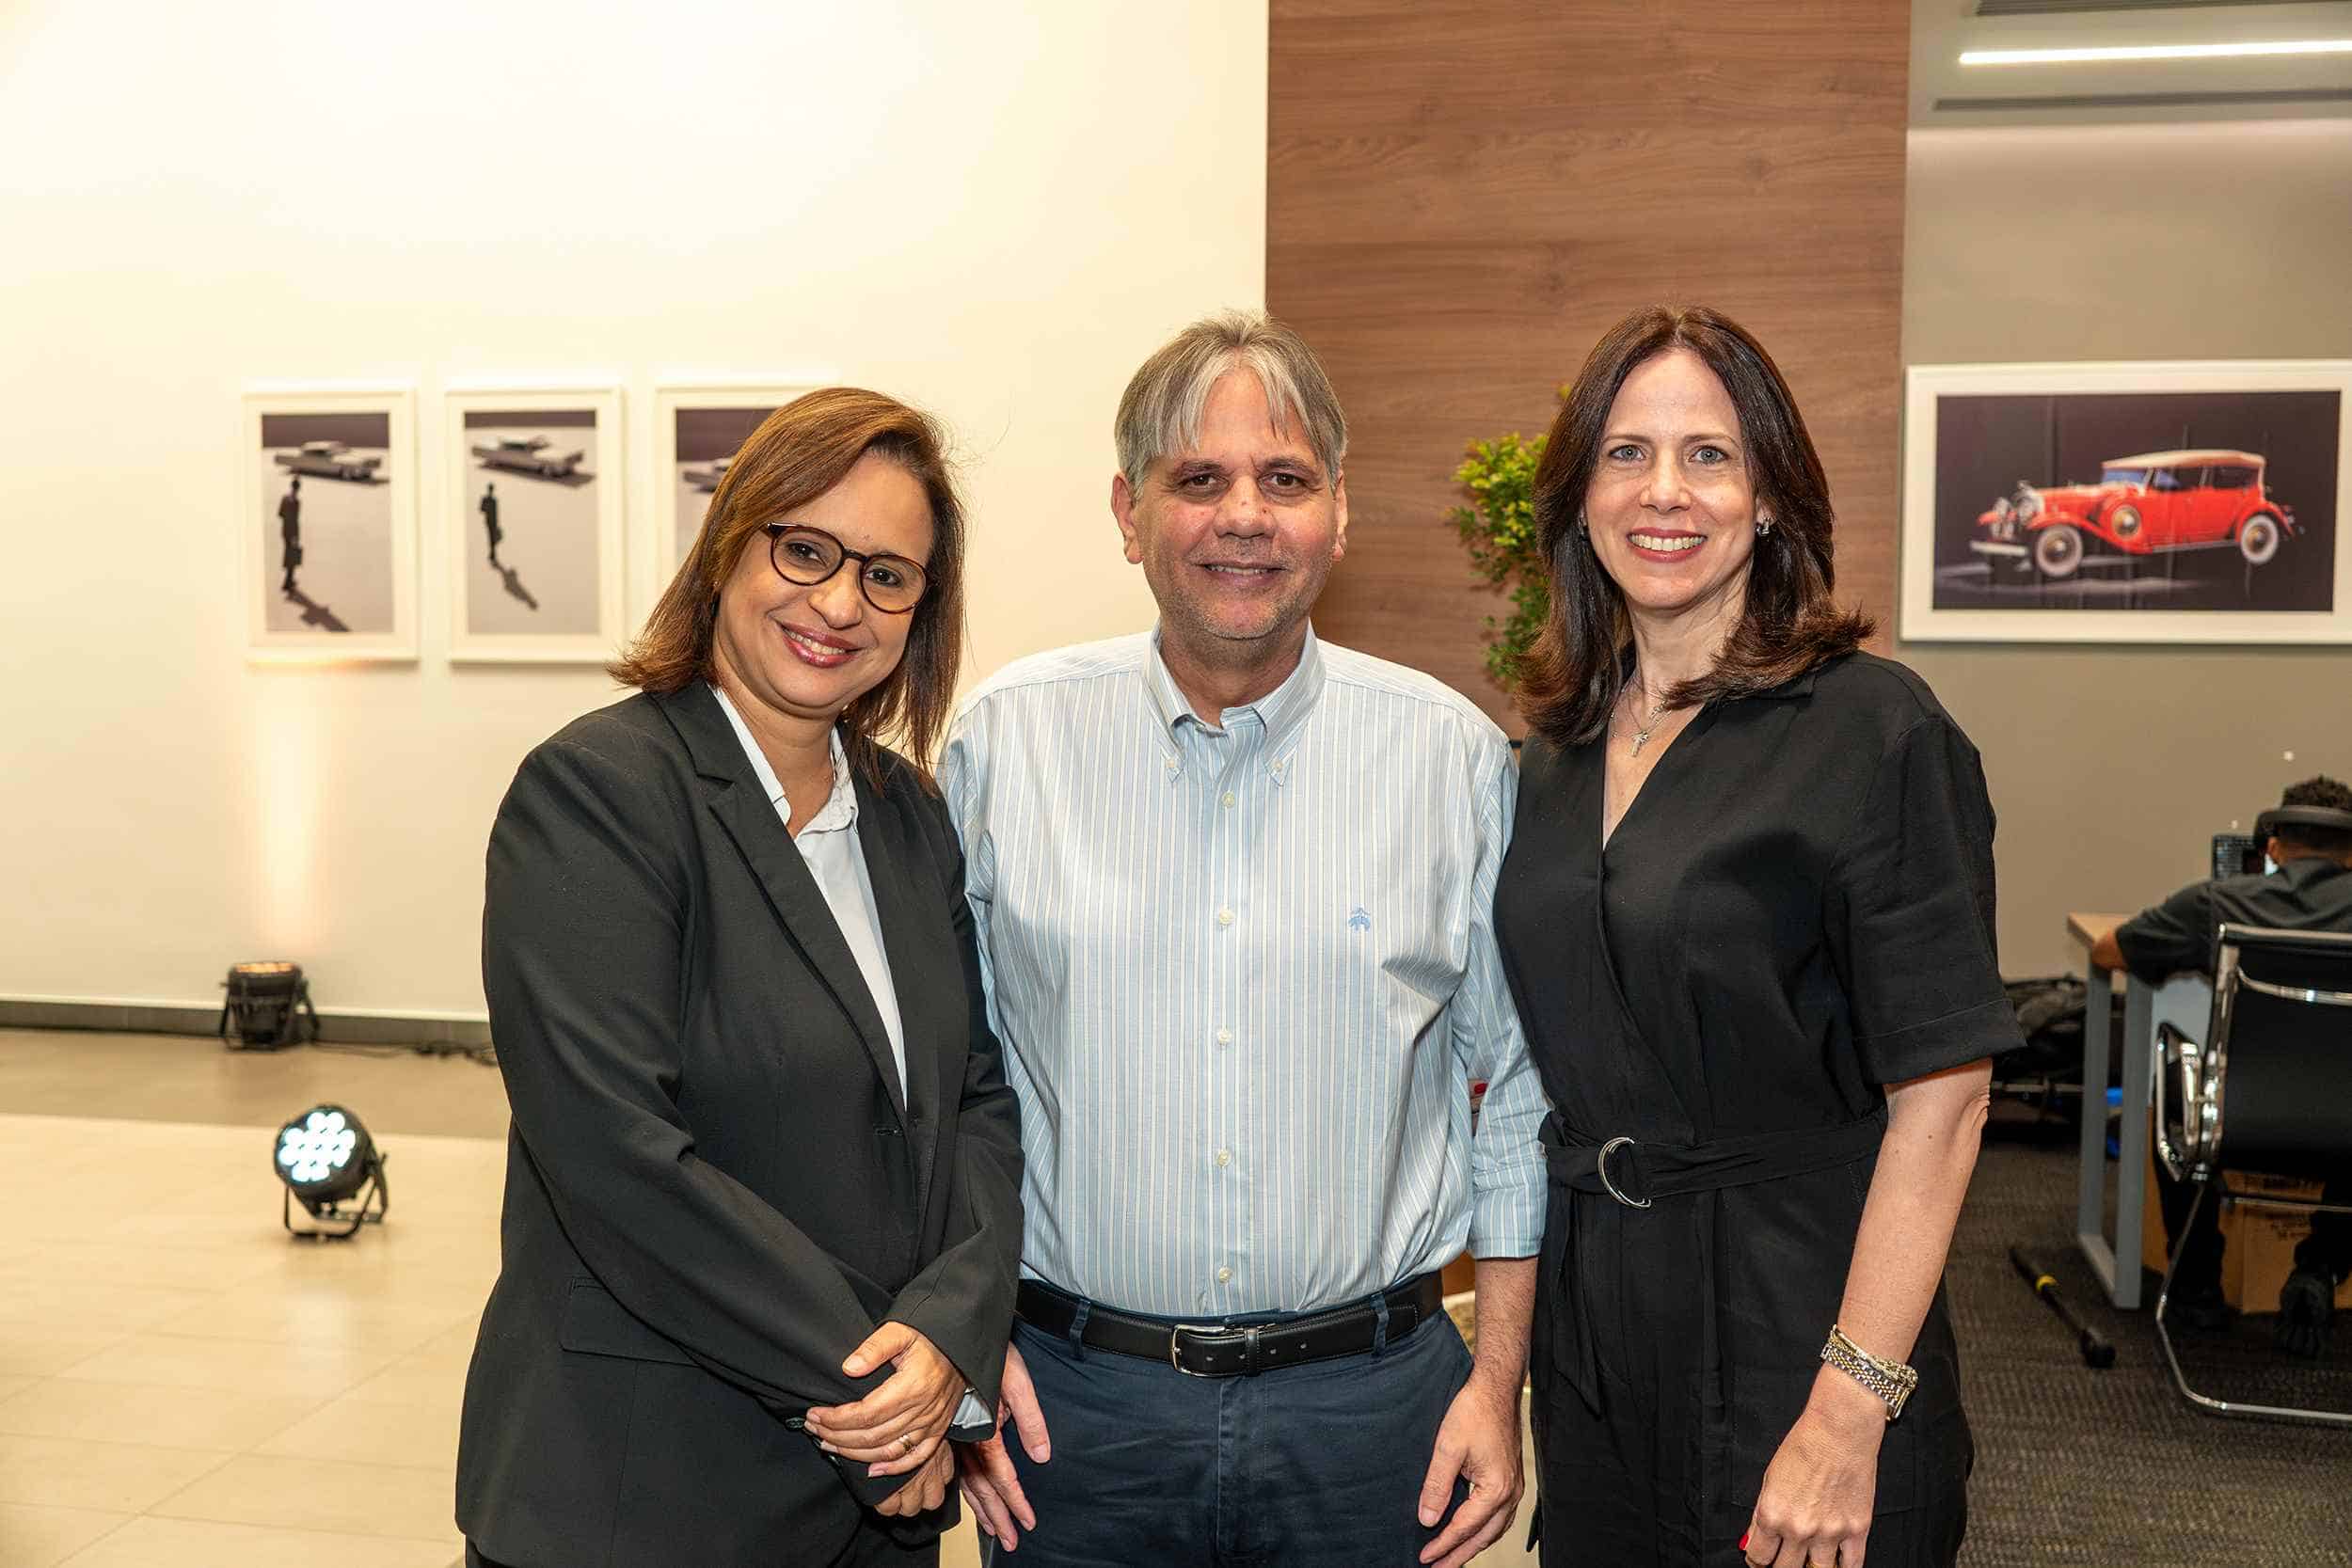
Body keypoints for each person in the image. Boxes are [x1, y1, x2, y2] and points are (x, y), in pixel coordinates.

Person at [941, 311, 1548, 1568]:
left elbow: (1513, 1096)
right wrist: (966, 1339)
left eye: (1285, 478)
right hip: (1073, 1409)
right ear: (1128, 510)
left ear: (1338, 508)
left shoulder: (1450, 760)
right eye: (1197, 478)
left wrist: (1495, 1383)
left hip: (1373, 1410)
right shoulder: (1007, 747)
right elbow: (949, 1081)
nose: (1245, 515)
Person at [456, 388, 1024, 1568]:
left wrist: (948, 1332)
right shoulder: (602, 794)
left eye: (886, 574)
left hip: (874, 1508)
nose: (836, 603)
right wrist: (883, 1397)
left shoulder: (910, 815)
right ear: (727, 549)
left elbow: (974, 1098)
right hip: (647, 1489)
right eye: (804, 549)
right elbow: (619, 1155)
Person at [1494, 306, 2010, 1568]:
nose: (1664, 490)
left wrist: (1848, 1408)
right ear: (1579, 496)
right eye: (1625, 452)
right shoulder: (1549, 754)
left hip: (1805, 1320)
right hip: (1602, 1346)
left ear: (1773, 494)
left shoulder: (1875, 732)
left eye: (1710, 454)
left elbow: (1945, 1099)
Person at [2091, 774, 2352, 1354]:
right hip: (2346, 1134)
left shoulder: (2221, 903)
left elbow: (2108, 951)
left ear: (2274, 847)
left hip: (2238, 1126)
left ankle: (2196, 1289)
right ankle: (2322, 1264)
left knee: (2176, 1086)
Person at [278, 477, 301, 594]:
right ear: (298, 489)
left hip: (285, 531)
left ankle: (288, 581)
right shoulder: (296, 502)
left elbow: (280, 514)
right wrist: (295, 537)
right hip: (293, 533)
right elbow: (295, 520)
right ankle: (287, 583)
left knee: (288, 556)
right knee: (292, 558)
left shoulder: (284, 498)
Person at [482, 481, 502, 566]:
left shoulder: (492, 500)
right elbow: (482, 509)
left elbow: (495, 512)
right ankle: (492, 553)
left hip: (492, 521)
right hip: (490, 521)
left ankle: (492, 553)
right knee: (491, 537)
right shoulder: (488, 500)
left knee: (491, 538)